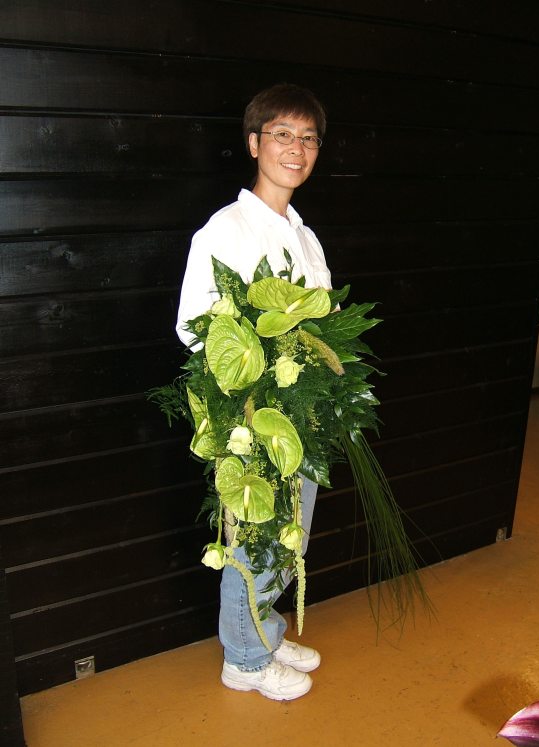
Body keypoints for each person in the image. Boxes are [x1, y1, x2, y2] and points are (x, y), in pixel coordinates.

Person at [176, 83, 331, 700]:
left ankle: (262, 630)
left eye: (308, 138)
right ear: (253, 143)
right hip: (252, 415)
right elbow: (195, 326)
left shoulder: (304, 233)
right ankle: (243, 658)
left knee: (291, 530)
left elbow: (321, 323)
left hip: (304, 413)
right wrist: (252, 385)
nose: (296, 149)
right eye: (282, 135)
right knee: (255, 533)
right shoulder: (227, 230)